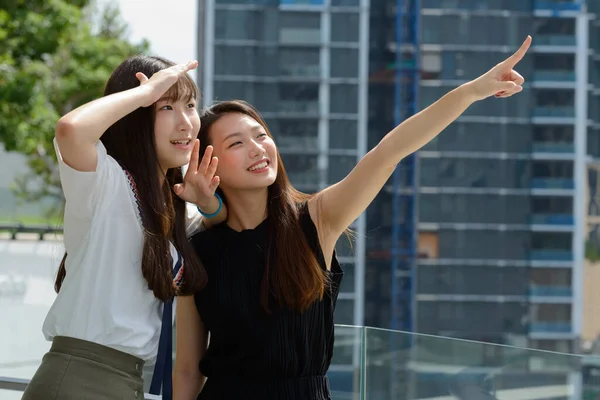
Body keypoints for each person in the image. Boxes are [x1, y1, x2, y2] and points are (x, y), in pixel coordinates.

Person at [173, 37, 532, 400]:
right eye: (236, 143)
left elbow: (389, 152)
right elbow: (187, 370)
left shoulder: (315, 219)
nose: (257, 148)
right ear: (206, 161)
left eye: (261, 135)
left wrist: (472, 91)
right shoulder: (198, 249)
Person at [22, 55, 226, 400]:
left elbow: (222, 226)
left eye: (190, 106)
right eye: (166, 107)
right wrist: (144, 95)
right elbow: (70, 129)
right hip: (79, 379)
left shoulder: (171, 206)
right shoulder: (106, 181)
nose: (186, 123)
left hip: (129, 382)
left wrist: (207, 202)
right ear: (136, 112)